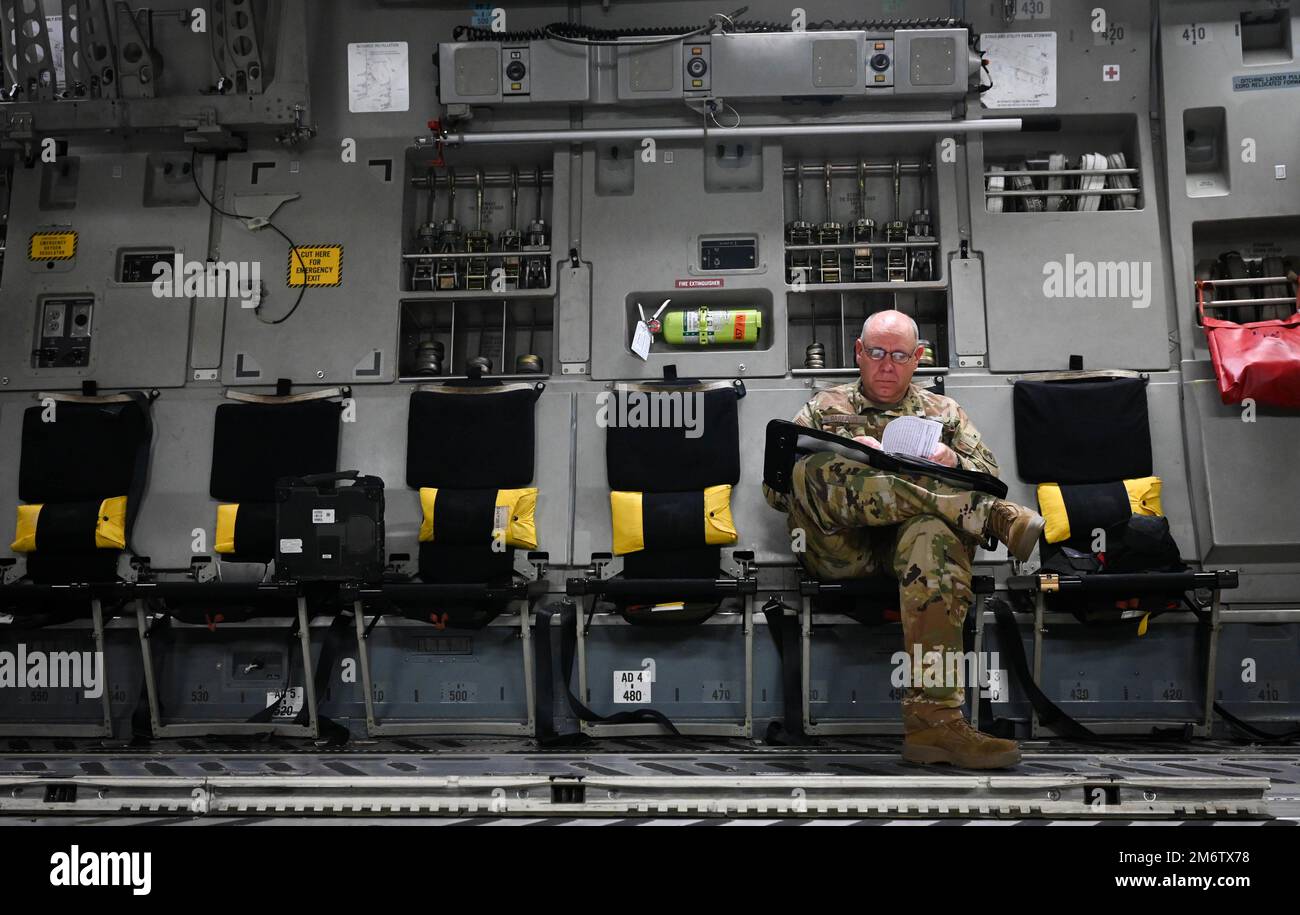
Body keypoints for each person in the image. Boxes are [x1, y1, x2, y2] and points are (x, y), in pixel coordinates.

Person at [763, 310, 1045, 769]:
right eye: (876, 353)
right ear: (858, 353)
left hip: (909, 551)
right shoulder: (824, 406)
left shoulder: (943, 412)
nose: (887, 365)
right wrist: (855, 470)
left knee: (933, 533)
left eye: (899, 355)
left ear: (918, 358)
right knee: (811, 470)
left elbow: (991, 476)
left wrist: (951, 459)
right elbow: (778, 493)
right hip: (840, 549)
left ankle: (936, 726)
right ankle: (988, 520)